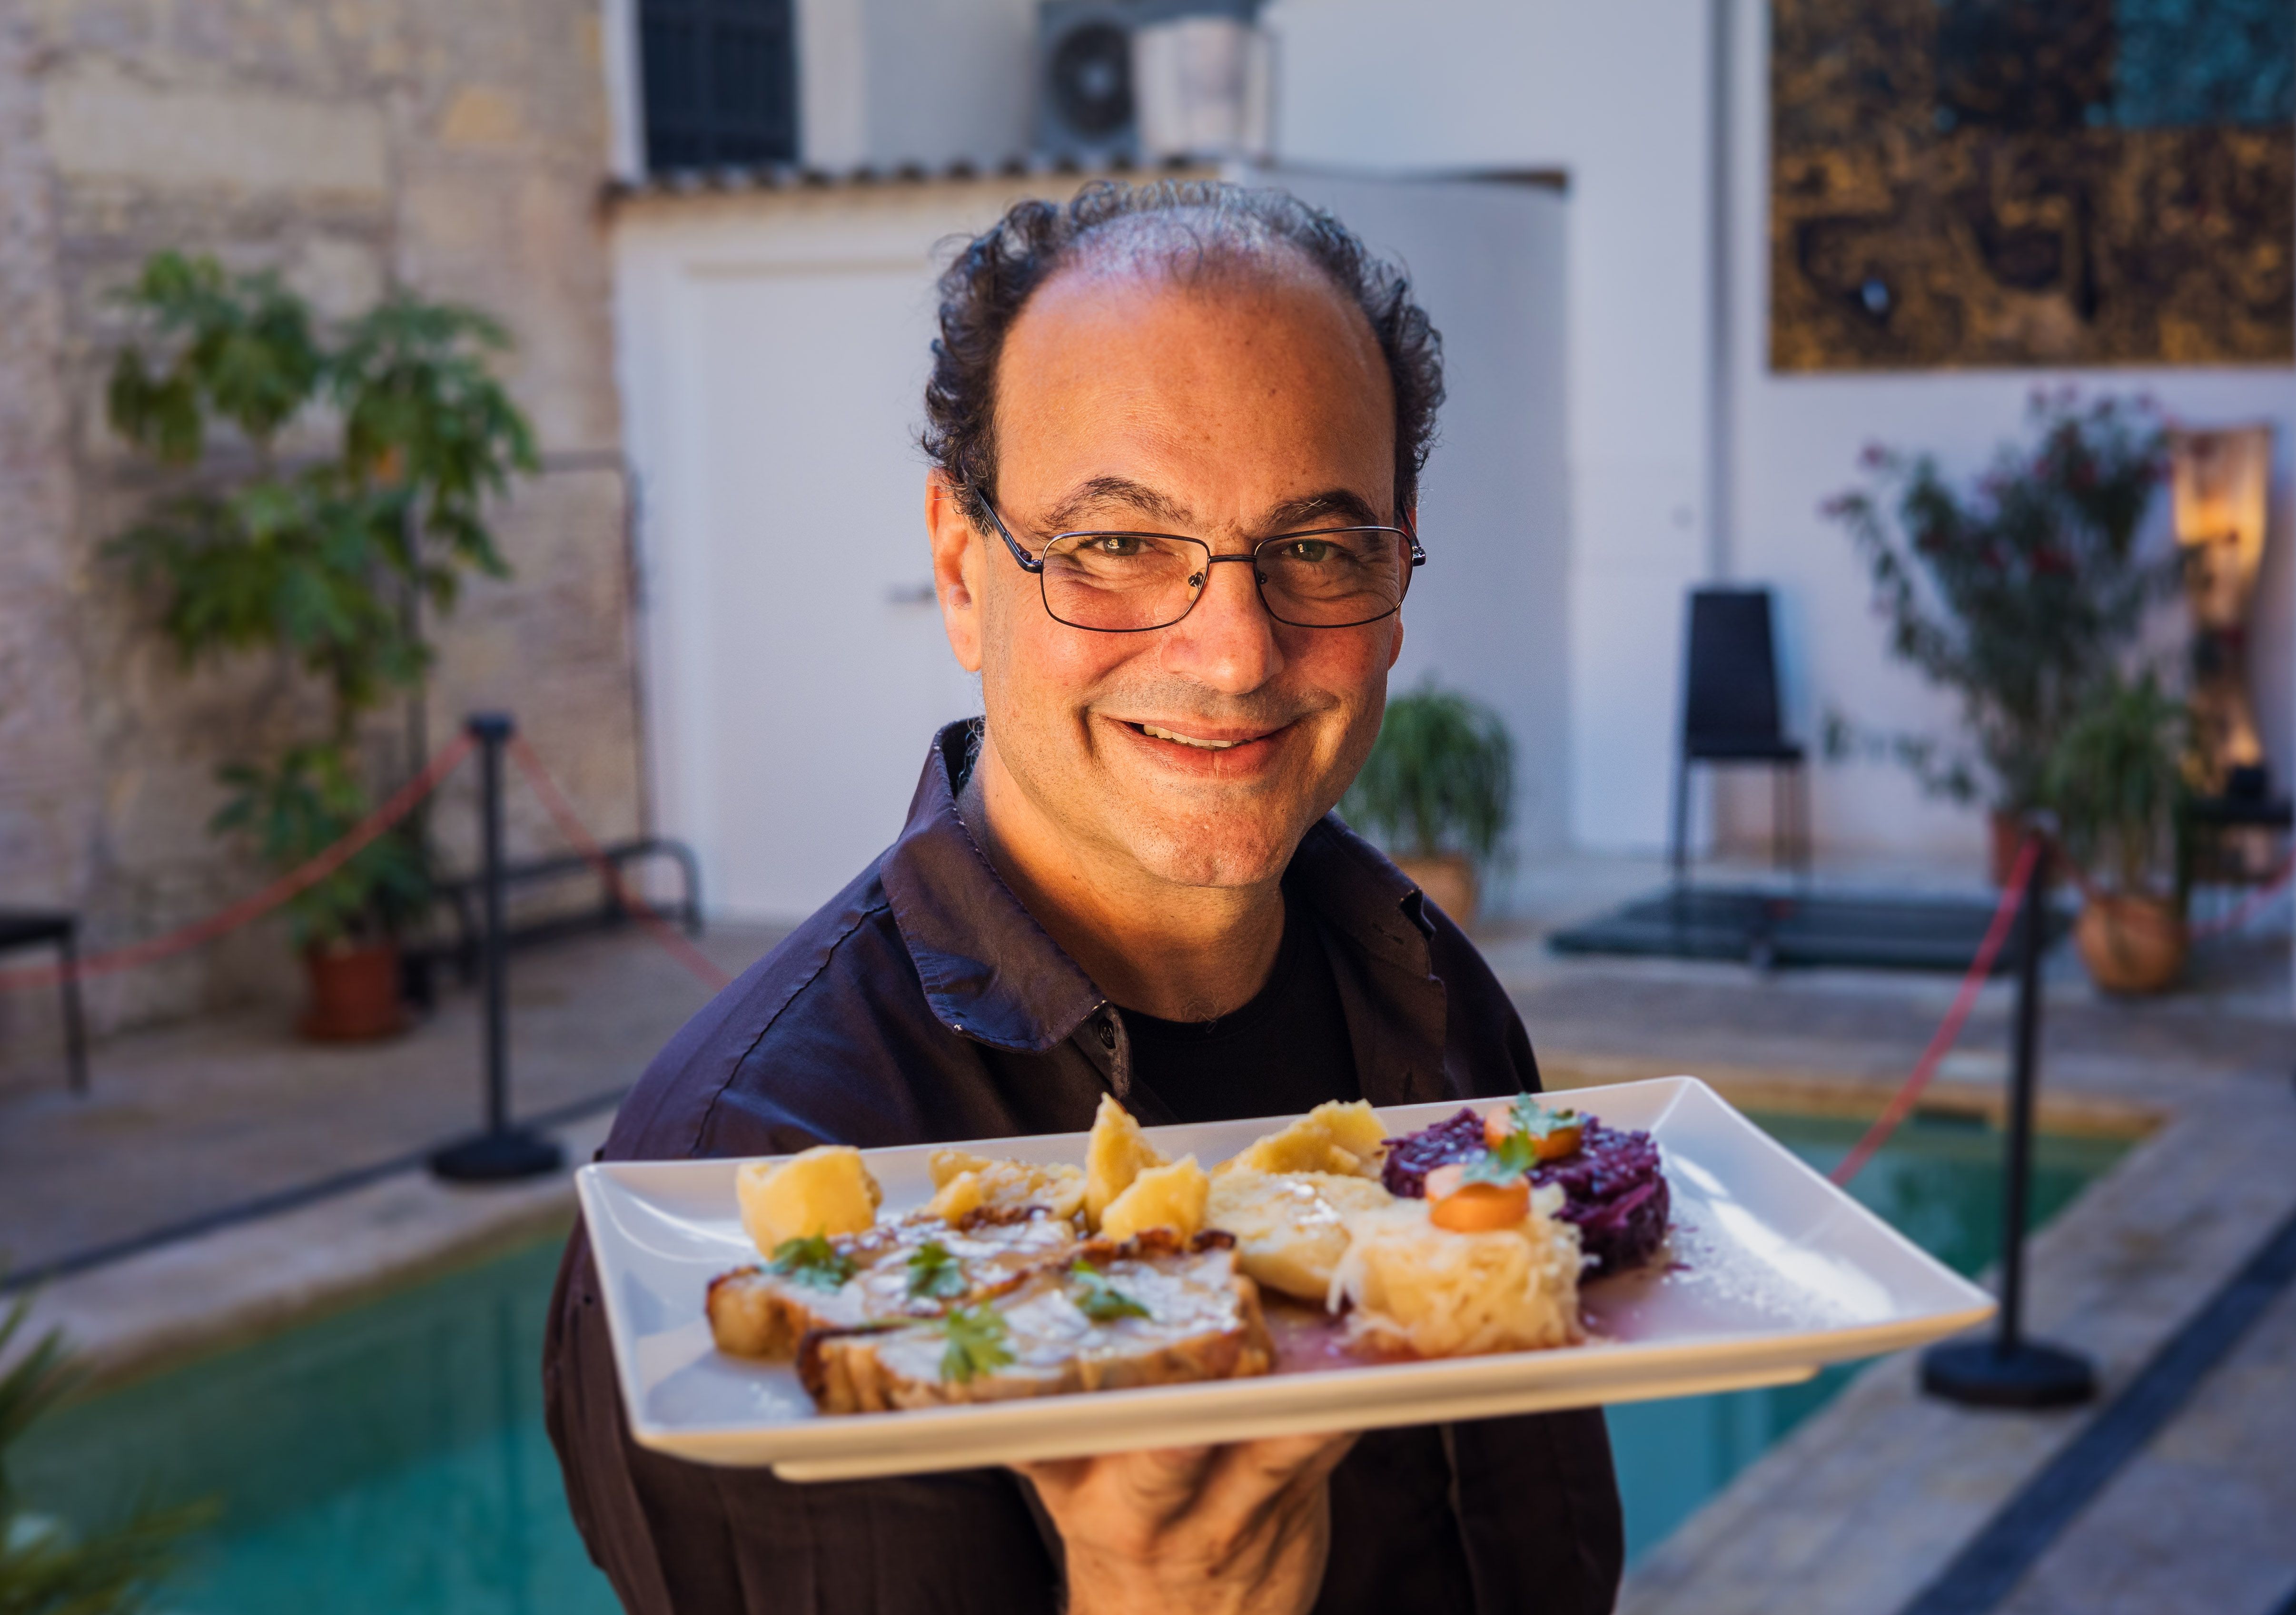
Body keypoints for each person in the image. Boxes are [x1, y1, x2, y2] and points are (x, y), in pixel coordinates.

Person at [543, 179, 1624, 1615]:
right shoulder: (750, 1172)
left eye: (1314, 548)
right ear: (961, 569)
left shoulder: (1434, 1003)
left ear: (1394, 569)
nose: (1233, 653)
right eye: (1117, 543)